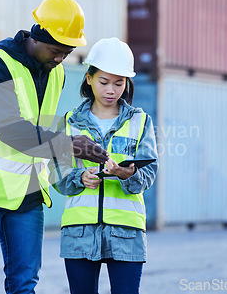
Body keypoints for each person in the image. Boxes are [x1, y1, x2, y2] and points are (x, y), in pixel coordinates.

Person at [0, 0, 109, 294]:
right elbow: (11, 130)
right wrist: (71, 145)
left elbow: (45, 125)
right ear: (37, 36)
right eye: (55, 50)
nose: (61, 58)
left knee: (24, 285)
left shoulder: (57, 72)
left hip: (26, 192)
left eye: (67, 51)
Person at [49, 37, 158, 294]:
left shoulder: (140, 121)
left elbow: (149, 174)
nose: (111, 90)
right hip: (80, 233)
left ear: (127, 82)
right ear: (89, 78)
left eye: (119, 83)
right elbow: (56, 172)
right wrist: (80, 177)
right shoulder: (69, 122)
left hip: (126, 233)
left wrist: (125, 174)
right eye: (104, 82)